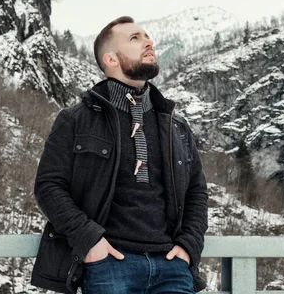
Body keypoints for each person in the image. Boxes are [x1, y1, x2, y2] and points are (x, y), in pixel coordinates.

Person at [30, 16, 209, 293]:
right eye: (135, 38)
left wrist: (189, 245)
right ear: (110, 59)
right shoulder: (75, 120)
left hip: (172, 268)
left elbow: (197, 191)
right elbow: (49, 186)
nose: (149, 42)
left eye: (147, 36)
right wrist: (90, 240)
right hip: (109, 264)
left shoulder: (176, 125)